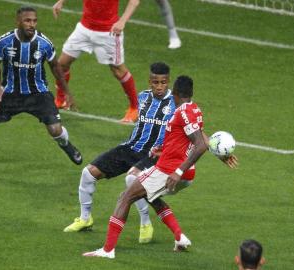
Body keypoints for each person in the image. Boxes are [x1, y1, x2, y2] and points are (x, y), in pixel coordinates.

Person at [82, 75, 238, 258]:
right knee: (150, 195)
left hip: (169, 171)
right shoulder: (194, 109)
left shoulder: (182, 112)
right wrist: (163, 149)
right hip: (184, 172)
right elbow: (191, 137)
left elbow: (200, 144)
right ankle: (180, 237)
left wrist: (178, 171)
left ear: (176, 93)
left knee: (125, 197)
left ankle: (107, 250)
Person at [0, 6, 82, 169]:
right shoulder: (4, 41)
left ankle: (67, 146)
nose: (32, 24)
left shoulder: (44, 43)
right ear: (18, 22)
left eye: (34, 20)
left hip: (38, 94)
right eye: (27, 20)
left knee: (56, 130)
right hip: (9, 93)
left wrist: (66, 91)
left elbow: (55, 67)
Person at [63, 62, 175, 244]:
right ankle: (85, 219)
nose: (160, 86)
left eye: (163, 82)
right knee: (88, 173)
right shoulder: (142, 97)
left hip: (153, 154)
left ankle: (145, 223)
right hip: (130, 147)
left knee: (133, 181)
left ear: (168, 81)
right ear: (150, 82)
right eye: (156, 82)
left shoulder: (175, 104)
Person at [52, 0, 140, 123]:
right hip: (84, 28)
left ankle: (135, 108)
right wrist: (61, 2)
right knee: (61, 64)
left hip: (109, 31)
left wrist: (122, 21)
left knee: (118, 70)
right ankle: (61, 100)